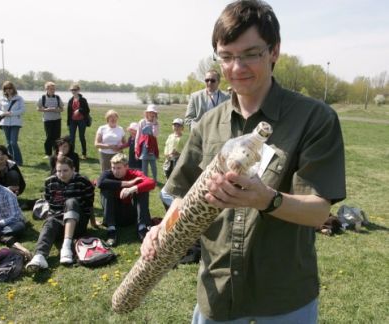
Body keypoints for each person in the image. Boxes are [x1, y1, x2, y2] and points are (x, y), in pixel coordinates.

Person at [141, 1, 346, 323]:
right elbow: (181, 193)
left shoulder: (314, 118)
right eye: (226, 56)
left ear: (274, 51)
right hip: (217, 295)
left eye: (251, 54)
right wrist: (162, 230)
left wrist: (266, 199)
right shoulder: (208, 123)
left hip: (284, 300)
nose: (237, 67)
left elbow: (319, 211)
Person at [25, 157, 94, 270]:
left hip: (77, 223)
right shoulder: (50, 182)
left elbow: (89, 205)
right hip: (58, 220)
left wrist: (94, 223)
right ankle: (39, 256)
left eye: (65, 170)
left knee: (71, 202)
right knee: (50, 220)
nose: (62, 174)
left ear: (73, 169)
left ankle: (66, 247)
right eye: (58, 171)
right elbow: (49, 203)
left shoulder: (83, 182)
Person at [97, 153, 155, 247]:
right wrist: (126, 183)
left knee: (142, 189)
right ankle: (111, 230)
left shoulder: (134, 173)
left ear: (126, 167)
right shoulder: (108, 174)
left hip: (132, 213)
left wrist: (132, 188)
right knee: (105, 189)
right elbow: (99, 183)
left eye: (119, 168)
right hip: (114, 214)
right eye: (113, 167)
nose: (115, 171)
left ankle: (142, 228)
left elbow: (151, 182)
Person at [0, 81, 25, 166]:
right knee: (8, 143)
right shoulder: (1, 99)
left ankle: (19, 161)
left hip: (15, 122)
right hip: (5, 123)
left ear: (13, 88)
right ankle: (10, 160)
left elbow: (22, 110)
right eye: (6, 88)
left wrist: (12, 113)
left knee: (13, 142)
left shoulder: (19, 98)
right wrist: (2, 113)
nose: (8, 90)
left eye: (10, 88)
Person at [36, 81, 64, 158]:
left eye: (54, 89)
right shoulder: (43, 98)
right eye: (51, 89)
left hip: (57, 120)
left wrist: (56, 110)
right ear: (46, 89)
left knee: (57, 137)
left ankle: (56, 153)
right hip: (47, 120)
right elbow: (38, 108)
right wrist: (46, 110)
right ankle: (48, 154)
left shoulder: (57, 97)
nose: (52, 90)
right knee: (49, 137)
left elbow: (62, 109)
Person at [135, 104, 160, 182]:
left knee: (153, 164)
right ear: (147, 113)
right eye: (150, 112)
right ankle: (145, 179)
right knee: (144, 164)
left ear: (155, 114)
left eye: (153, 113)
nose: (152, 114)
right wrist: (136, 148)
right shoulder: (142, 122)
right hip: (144, 147)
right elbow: (138, 135)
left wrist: (154, 124)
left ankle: (155, 179)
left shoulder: (156, 123)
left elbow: (155, 134)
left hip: (152, 146)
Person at [67, 83, 90, 160]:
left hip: (82, 121)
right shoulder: (70, 100)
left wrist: (79, 110)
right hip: (72, 121)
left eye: (75, 90)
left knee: (81, 137)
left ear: (78, 90)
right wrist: (68, 122)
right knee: (71, 138)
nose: (73, 91)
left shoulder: (83, 100)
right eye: (72, 90)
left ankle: (84, 154)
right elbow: (69, 112)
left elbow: (87, 110)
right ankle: (71, 154)